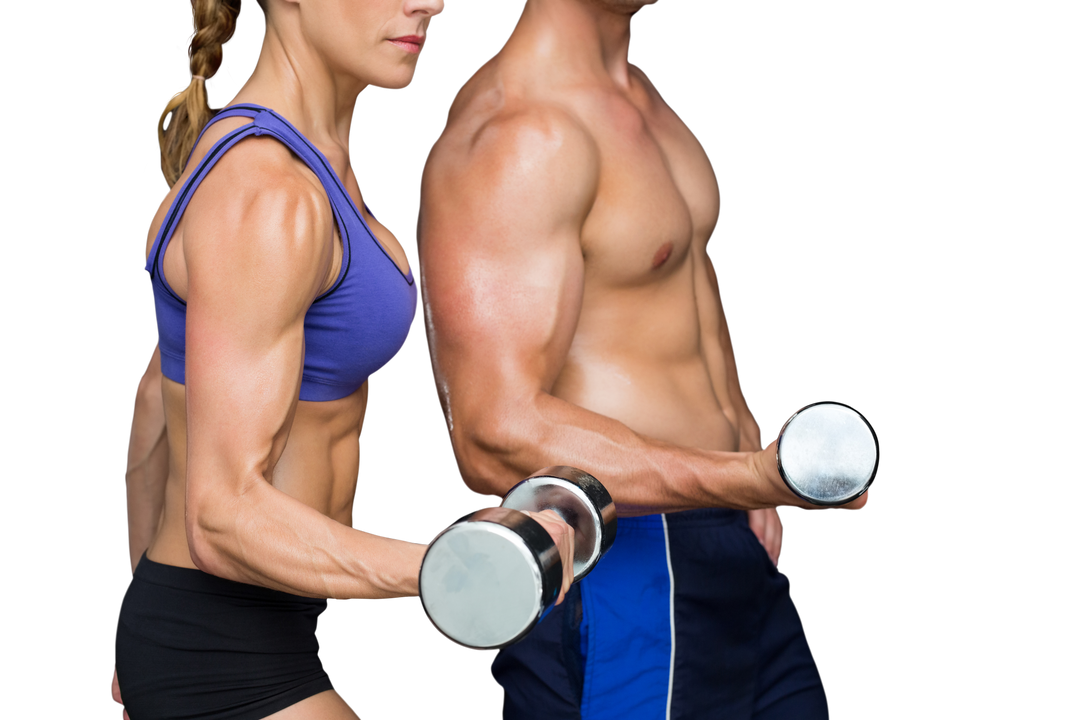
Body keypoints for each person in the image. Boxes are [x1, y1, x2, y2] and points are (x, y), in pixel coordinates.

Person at [110, 1, 576, 718]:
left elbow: (156, 399)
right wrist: (453, 566)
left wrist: (140, 611)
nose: (434, 2)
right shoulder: (268, 195)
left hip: (228, 628)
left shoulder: (310, 164)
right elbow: (222, 517)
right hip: (223, 651)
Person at [416, 0, 872, 718]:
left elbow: (677, 280)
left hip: (725, 535)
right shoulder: (522, 135)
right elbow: (491, 433)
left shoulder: (641, 94)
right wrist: (746, 476)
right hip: (627, 559)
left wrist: (744, 446)